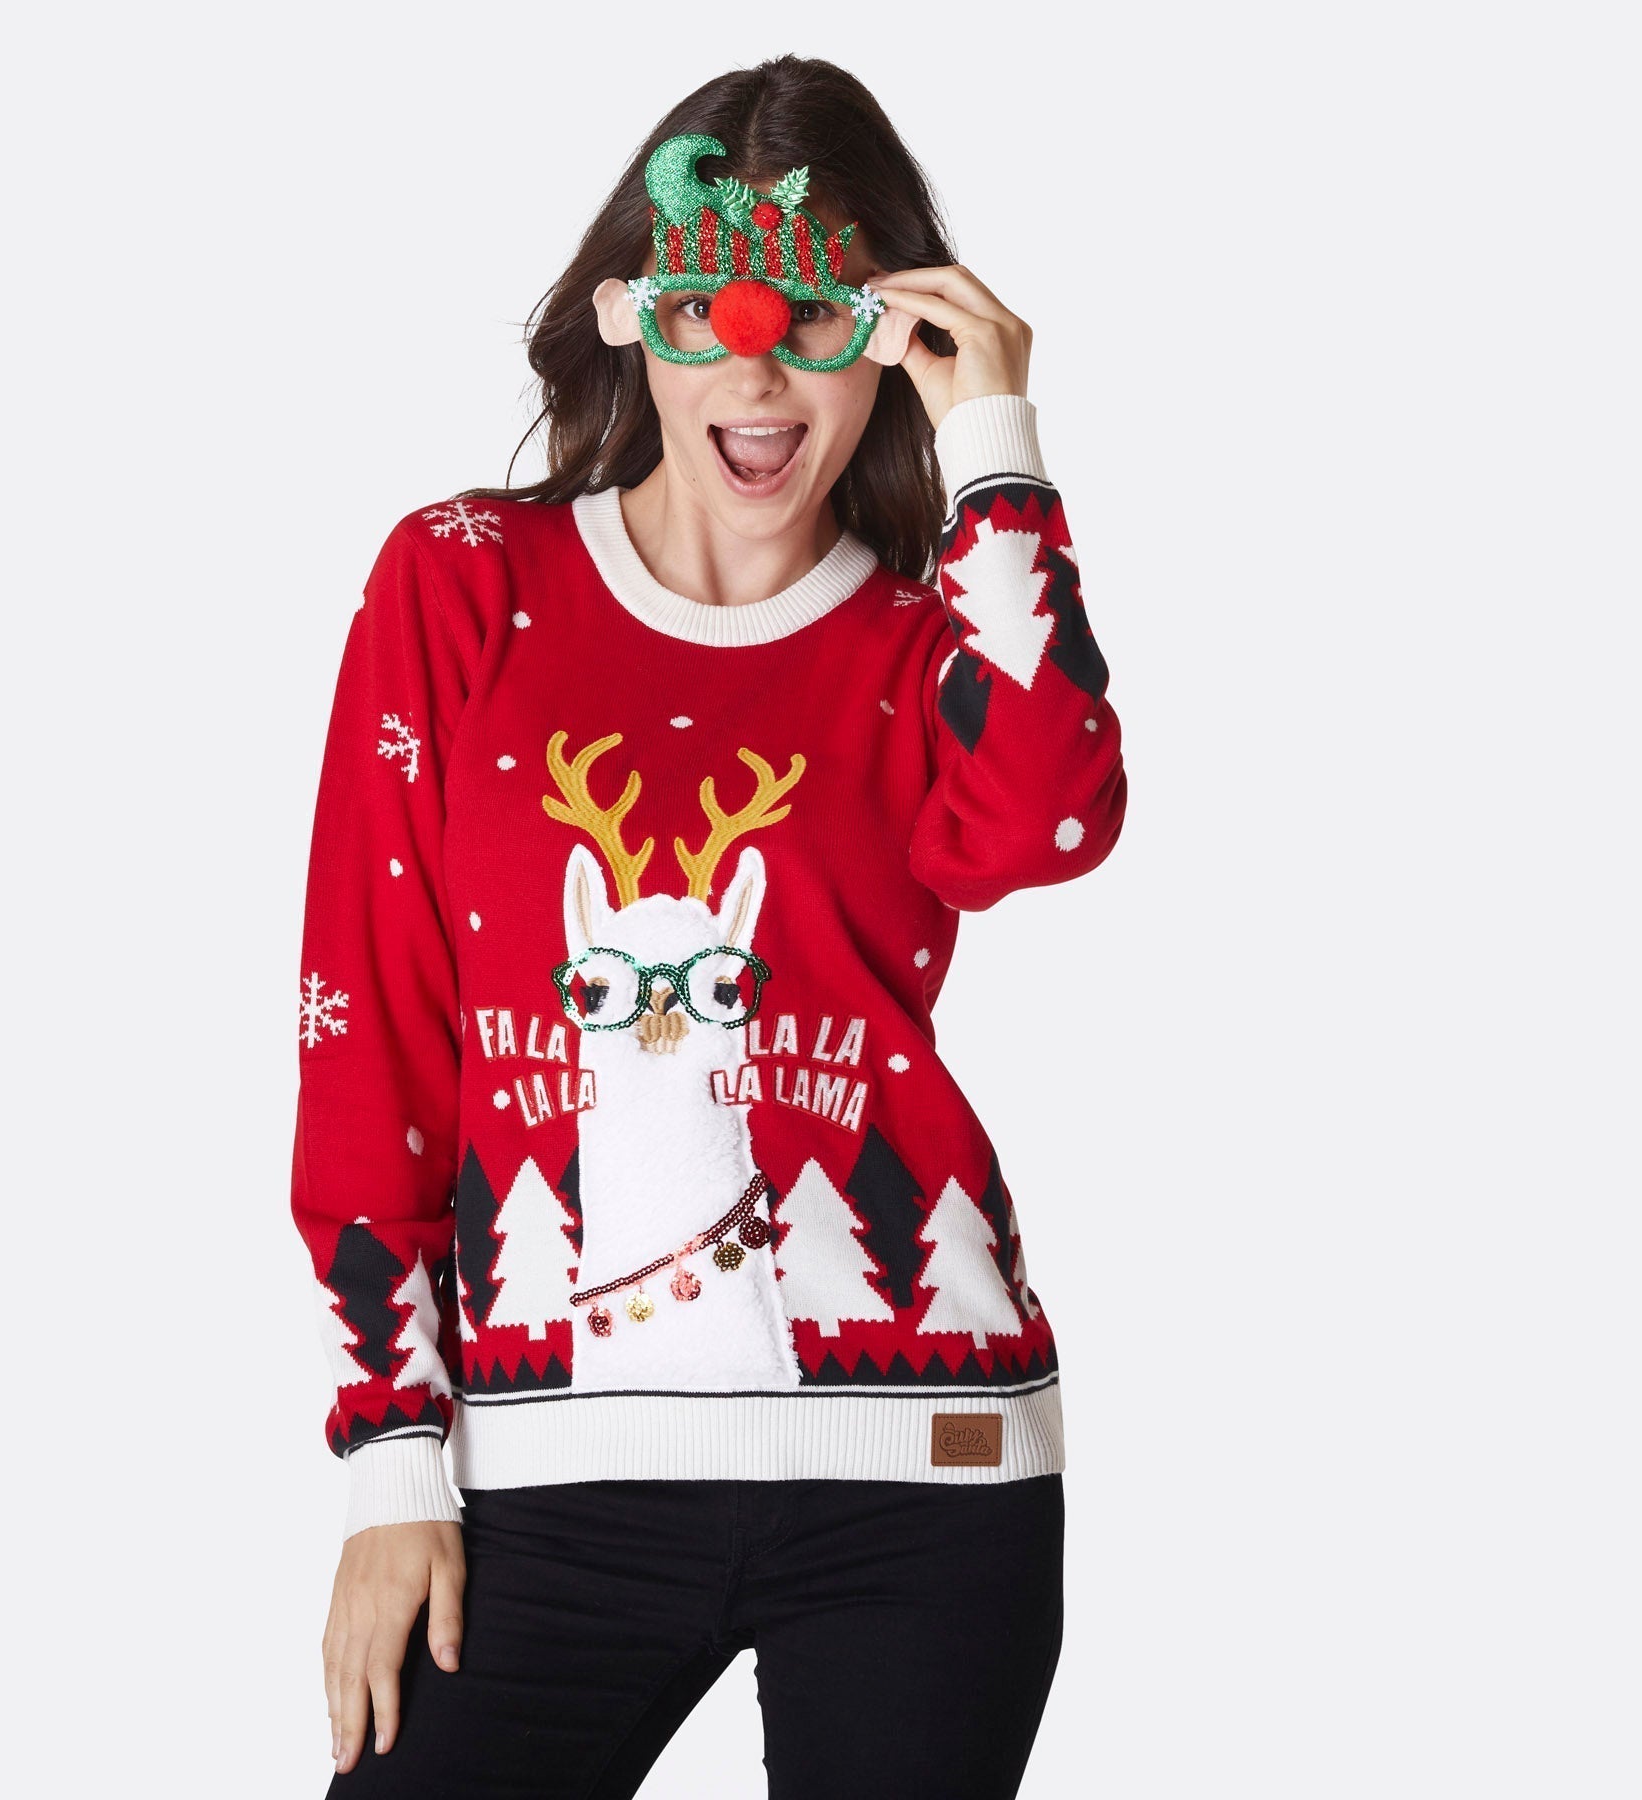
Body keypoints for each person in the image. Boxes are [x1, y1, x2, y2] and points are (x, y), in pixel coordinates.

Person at [291, 53, 1128, 1800]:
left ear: (888, 334)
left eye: (814, 316)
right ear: (635, 321)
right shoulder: (460, 584)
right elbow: (371, 1032)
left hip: (921, 1465)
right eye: (706, 312)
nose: (755, 372)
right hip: (542, 1481)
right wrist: (390, 1462)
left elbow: (1049, 819)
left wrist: (995, 443)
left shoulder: (930, 651)